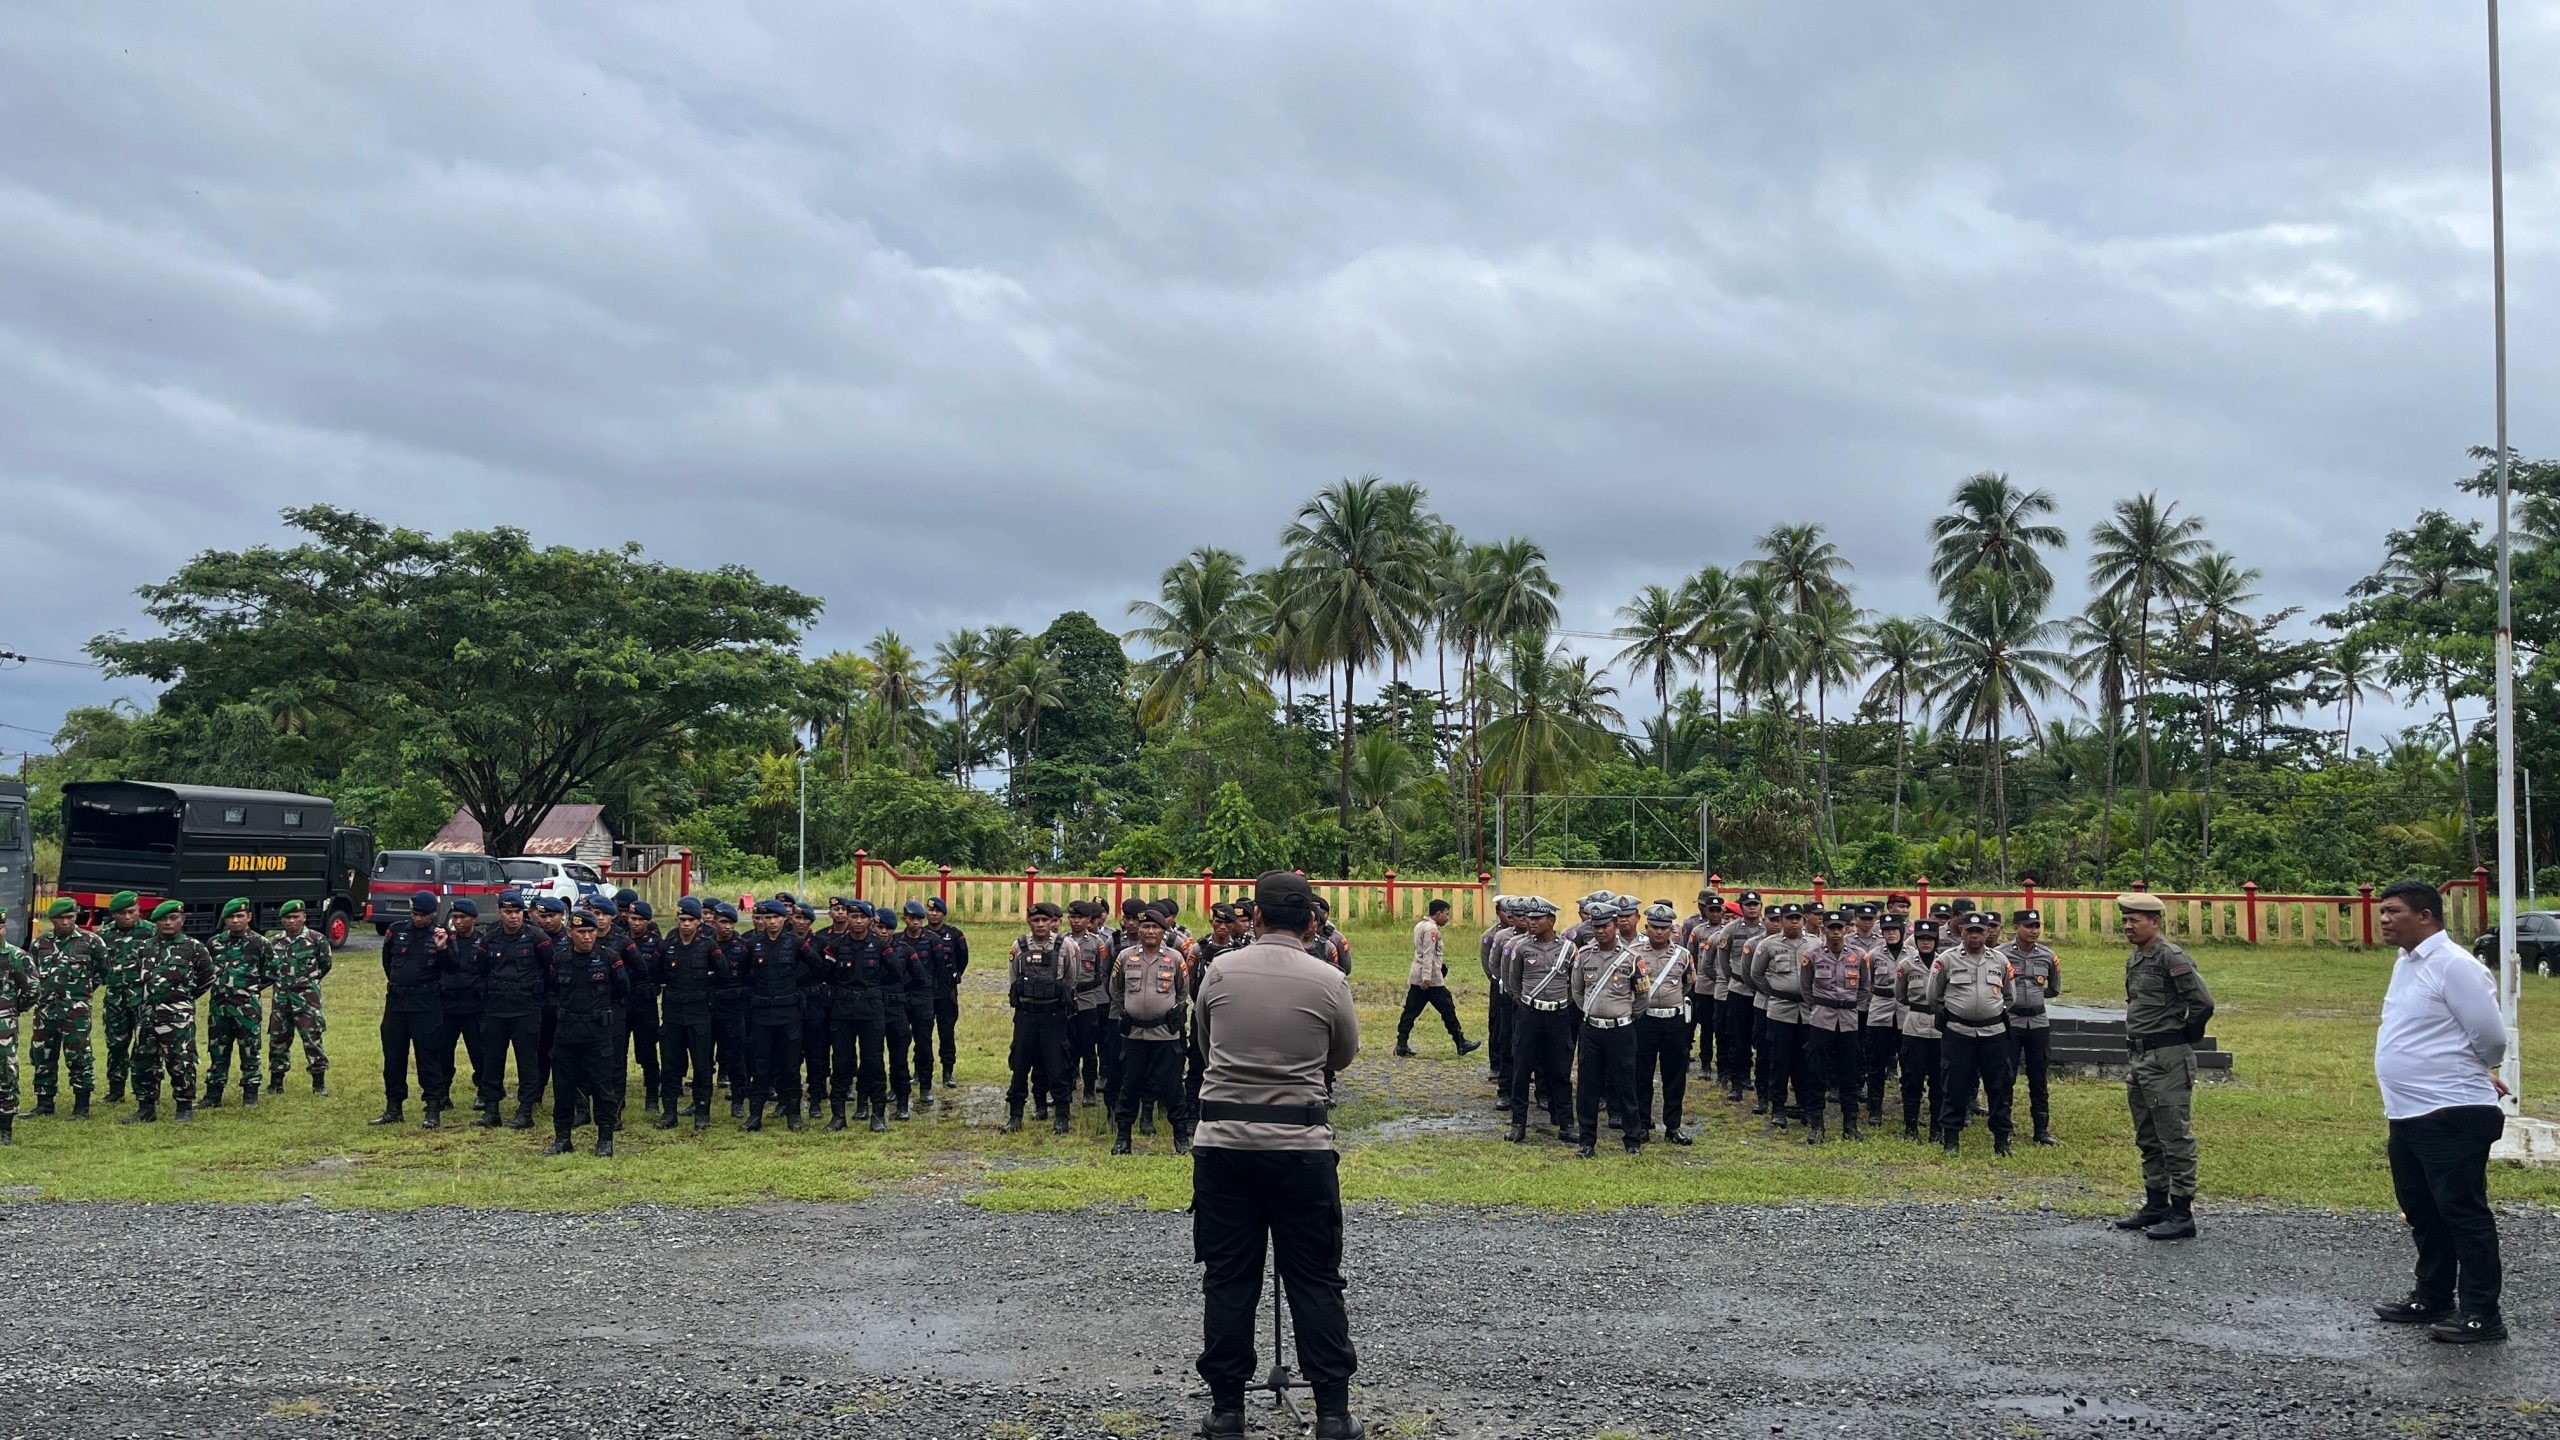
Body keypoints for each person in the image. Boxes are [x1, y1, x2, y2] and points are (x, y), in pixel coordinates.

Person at [1190, 870, 1361, 1440]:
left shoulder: (1219, 969)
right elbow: (1341, 1056)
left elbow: (1205, 1042)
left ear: (1255, 917)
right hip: (1301, 1149)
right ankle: (1333, 1414)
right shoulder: (1329, 978)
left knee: (1229, 1279)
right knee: (1315, 1279)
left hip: (1224, 1148)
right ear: (1312, 922)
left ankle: (1227, 1411)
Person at [2369, 880, 2512, 1343]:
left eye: (2393, 911)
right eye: (2382, 911)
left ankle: (2482, 1314)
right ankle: (2432, 1296)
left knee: (2462, 1212)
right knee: (2423, 1210)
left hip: (2450, 1112)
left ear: (2426, 916)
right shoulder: (2407, 963)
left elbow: (2490, 1037)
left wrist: (2473, 1072)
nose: (2384, 919)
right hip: (2410, 1112)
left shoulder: (2454, 965)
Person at [2112, 892, 2215, 1241]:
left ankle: (2182, 1212)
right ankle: (2155, 1203)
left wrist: (2186, 1034)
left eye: (2135, 920)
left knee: (2174, 1135)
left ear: (2154, 922)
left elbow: (2202, 1002)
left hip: (2167, 1058)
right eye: (2125, 919)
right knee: (2147, 1135)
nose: (2128, 925)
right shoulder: (2136, 959)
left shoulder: (2171, 957)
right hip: (2140, 1058)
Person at [1927, 912, 2017, 1157]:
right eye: (1970, 931)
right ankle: (1951, 1140)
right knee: (1953, 1085)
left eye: (1980, 931)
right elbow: (1933, 997)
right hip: (1959, 1032)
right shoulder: (1946, 960)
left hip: (1993, 1032)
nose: (1975, 936)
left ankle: (2001, 1140)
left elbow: (2010, 997)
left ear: (1988, 932)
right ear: (1961, 932)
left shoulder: (2000, 960)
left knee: (1999, 1087)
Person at [542, 910, 628, 1157]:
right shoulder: (560, 959)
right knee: (563, 1087)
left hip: (597, 1033)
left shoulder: (609, 958)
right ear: (570, 933)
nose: (587, 936)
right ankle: (562, 1138)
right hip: (567, 1033)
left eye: (591, 931)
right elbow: (551, 990)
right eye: (581, 932)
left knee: (603, 1088)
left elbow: (622, 989)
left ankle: (605, 1139)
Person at [1569, 897, 1646, 1157]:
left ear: (1615, 925)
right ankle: (1587, 1141)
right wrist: (1594, 1013)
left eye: (1605, 925)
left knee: (1625, 1085)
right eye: (1596, 926)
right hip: (1591, 1030)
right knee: (1587, 1086)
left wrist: (1623, 1016)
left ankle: (1632, 1141)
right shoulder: (1583, 955)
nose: (1600, 931)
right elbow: (1577, 991)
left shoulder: (1632, 958)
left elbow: (1642, 997)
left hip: (1621, 1030)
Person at [1109, 908, 1191, 1154]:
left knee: (1172, 1086)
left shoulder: (1175, 958)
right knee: (1130, 1085)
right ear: (1139, 930)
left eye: (1155, 927)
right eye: (1145, 927)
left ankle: (1180, 1136)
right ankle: (1123, 1137)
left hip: (1165, 1034)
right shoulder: (1125, 956)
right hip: (1134, 1035)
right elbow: (1116, 989)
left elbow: (1182, 992)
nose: (1150, 931)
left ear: (1164, 931)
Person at [125, 900, 213, 1124]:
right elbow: (134, 978)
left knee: (180, 1061)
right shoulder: (144, 948)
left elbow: (206, 978)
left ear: (182, 920)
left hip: (177, 1017)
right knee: (143, 1062)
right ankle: (146, 1108)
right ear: (155, 922)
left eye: (173, 918)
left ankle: (184, 1106)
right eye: (163, 919)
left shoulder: (195, 948)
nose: (168, 922)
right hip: (147, 1016)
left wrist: (183, 1000)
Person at [1502, 896, 1578, 1144]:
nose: (1531, 922)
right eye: (1530, 918)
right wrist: (1527, 1003)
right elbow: (1514, 983)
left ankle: (1565, 1122)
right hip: (1529, 1013)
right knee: (1522, 1069)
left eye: (1537, 918)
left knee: (1560, 1070)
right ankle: (1518, 1123)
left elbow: (1575, 985)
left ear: (1551, 920)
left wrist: (1560, 1003)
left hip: (1558, 1014)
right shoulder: (1521, 948)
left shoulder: (1568, 949)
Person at [375, 891, 453, 1129]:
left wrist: (442, 949)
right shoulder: (397, 930)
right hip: (397, 1002)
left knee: (429, 1056)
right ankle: (393, 1107)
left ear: (432, 914)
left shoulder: (441, 935)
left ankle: (432, 1107)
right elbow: (387, 960)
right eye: (414, 914)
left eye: (422, 915)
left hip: (426, 1002)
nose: (417, 919)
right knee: (394, 1056)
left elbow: (452, 967)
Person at [742, 899, 817, 1132]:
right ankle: (755, 1115)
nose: (771, 922)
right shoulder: (754, 944)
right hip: (762, 1013)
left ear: (785, 919)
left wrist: (795, 984)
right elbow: (744, 972)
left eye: (775, 917)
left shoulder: (795, 943)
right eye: (766, 918)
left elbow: (817, 965)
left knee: (790, 1065)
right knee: (761, 1065)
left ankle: (793, 1114)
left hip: (788, 1012)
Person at [479, 893, 553, 1129]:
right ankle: (491, 1109)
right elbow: (481, 971)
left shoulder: (536, 938)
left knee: (527, 1061)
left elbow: (549, 969)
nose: (513, 916)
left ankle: (525, 1110)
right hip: (497, 1008)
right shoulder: (489, 938)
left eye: (518, 912)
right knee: (492, 1060)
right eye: (508, 912)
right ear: (500, 912)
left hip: (526, 1008)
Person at [1003, 902, 1077, 1135]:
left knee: (1057, 1066)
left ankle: (1062, 1117)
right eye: (1036, 920)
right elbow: (1014, 977)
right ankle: (1015, 1115)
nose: (1041, 925)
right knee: (1020, 1065)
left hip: (1053, 1016)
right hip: (1026, 1016)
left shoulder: (1064, 946)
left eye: (1045, 920)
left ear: (1052, 922)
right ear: (1029, 922)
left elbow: (1070, 979)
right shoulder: (1020, 945)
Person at [29, 897, 106, 1119]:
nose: (65, 922)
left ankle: (81, 1106)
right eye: (60, 918)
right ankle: (44, 1103)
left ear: (75, 916)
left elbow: (103, 972)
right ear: (52, 919)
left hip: (76, 1012)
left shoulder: (91, 942)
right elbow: (32, 974)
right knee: (42, 1055)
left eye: (70, 917)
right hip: (45, 1011)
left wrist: (82, 994)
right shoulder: (40, 944)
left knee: (79, 1056)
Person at [1631, 902, 1697, 1145]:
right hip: (1645, 1020)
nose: (1659, 932)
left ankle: (1673, 1127)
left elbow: (1688, 984)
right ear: (1647, 927)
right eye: (1655, 927)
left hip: (1673, 1022)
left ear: (1672, 929)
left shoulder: (1683, 955)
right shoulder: (1634, 953)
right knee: (1642, 1074)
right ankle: (1642, 1124)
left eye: (1664, 927)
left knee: (1675, 1076)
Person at [1800, 910, 1868, 1144]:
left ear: (1847, 929)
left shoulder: (1859, 956)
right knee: (1817, 1072)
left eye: (1840, 928)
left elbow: (1865, 989)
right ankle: (1817, 1125)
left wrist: (1850, 1007)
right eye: (1831, 928)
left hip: (1849, 1020)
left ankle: (1851, 1125)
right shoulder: (1812, 955)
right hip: (1822, 1019)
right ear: (1824, 929)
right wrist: (1821, 1006)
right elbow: (1806, 989)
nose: (1836, 932)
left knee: (1850, 1073)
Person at [201, 897, 274, 1108]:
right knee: (217, 1051)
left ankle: (250, 1094)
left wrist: (249, 989)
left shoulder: (260, 943)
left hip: (247, 1008)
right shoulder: (215, 943)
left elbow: (270, 973)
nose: (235, 920)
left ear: (249, 917)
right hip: (219, 1007)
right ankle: (213, 1095)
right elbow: (206, 972)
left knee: (250, 1049)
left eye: (239, 916)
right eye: (230, 917)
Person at [2000, 908, 2062, 1146]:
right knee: (2007, 1076)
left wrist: (2033, 998)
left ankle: (2041, 1129)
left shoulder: (2048, 956)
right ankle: (2004, 1126)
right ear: (2016, 928)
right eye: (2029, 926)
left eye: (2037, 926)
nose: (2034, 931)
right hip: (2012, 1020)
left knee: (2039, 1077)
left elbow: (2054, 988)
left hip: (2038, 1022)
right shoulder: (2001, 954)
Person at [1748, 903, 1813, 1129]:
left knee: (1805, 1061)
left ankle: (1806, 1105)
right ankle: (1778, 1107)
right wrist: (1772, 992)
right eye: (1789, 918)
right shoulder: (1768, 945)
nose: (1794, 922)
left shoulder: (1815, 944)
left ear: (1804, 920)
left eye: (1798, 918)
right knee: (1779, 1060)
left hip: (1806, 1011)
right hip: (1780, 1010)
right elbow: (1755, 973)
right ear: (1782, 920)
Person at [265, 900, 333, 1100]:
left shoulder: (316, 939)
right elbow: (269, 969)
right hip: (281, 999)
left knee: (312, 1039)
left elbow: (325, 964)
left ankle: (318, 1083)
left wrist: (308, 983)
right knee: (278, 1040)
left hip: (306, 999)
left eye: (296, 917)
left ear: (304, 917)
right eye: (287, 918)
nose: (292, 921)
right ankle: (276, 1082)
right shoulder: (275, 942)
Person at [1395, 899, 1477, 1058]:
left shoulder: (1420, 925)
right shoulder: (1432, 929)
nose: (1447, 918)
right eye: (1446, 914)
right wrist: (1427, 978)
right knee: (1448, 1009)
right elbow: (1428, 954)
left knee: (1410, 1011)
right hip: (1430, 979)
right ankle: (1461, 1043)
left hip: (1418, 976)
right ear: (1438, 913)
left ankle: (1401, 1043)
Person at [431, 899, 487, 1122]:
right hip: (448, 1003)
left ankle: (484, 1091)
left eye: (463, 917)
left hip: (474, 1005)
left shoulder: (483, 941)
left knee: (479, 1051)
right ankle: (442, 1092)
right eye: (455, 917)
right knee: (443, 1051)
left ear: (473, 919)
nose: (458, 921)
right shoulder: (445, 940)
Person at [96, 891, 149, 1107]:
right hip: (115, 1000)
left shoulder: (152, 933)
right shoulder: (103, 935)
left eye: (131, 912)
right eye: (121, 913)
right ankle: (115, 1089)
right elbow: (96, 966)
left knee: (144, 1046)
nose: (127, 917)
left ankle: (144, 1089)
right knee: (116, 1045)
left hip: (144, 1001)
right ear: (113, 915)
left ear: (138, 911)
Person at [1894, 919, 1943, 1141]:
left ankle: (1936, 1129)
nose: (1925, 943)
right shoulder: (1906, 965)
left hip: (1940, 1027)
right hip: (1914, 1025)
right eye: (1921, 939)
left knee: (1939, 1081)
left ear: (1936, 940)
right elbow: (1900, 995)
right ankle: (1911, 1128)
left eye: (1930, 939)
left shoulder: (1945, 963)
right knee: (1912, 1080)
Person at [1717, 891, 1767, 1103]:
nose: (1752, 908)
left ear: (1761, 906)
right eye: (1748, 905)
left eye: (1755, 904)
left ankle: (1756, 1079)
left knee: (1761, 1038)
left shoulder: (1769, 929)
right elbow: (1724, 960)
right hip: (1738, 989)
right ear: (1741, 907)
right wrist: (1739, 978)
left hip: (1762, 991)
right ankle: (1737, 1082)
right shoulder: (1730, 930)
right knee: (1738, 1037)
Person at [1859, 914, 1908, 1125]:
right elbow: (1866, 983)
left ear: (1902, 931)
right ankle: (1875, 1108)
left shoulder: (1912, 954)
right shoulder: (1873, 954)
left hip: (1906, 1014)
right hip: (1880, 1011)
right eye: (1887, 930)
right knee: (1876, 1062)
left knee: (1909, 1064)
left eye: (1895, 929)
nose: (1890, 933)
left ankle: (1909, 1108)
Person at [891, 902, 941, 1105]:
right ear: (904, 919)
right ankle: (898, 1086)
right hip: (901, 995)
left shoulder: (933, 940)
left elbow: (939, 969)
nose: (916, 923)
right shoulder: (896, 941)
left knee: (923, 1042)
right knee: (898, 1043)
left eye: (919, 919)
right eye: (911, 919)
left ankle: (926, 1085)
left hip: (923, 996)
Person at [1067, 900, 1116, 1106]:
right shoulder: (1062, 941)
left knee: (1088, 1047)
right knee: (1066, 1046)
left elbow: (1101, 972)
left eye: (1080, 917)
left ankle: (1089, 1090)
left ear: (1089, 920)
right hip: (1067, 1001)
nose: (1076, 921)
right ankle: (1067, 1086)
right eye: (1072, 917)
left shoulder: (1098, 943)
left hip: (1089, 1000)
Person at [706, 899, 752, 1118]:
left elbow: (746, 976)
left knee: (736, 1055)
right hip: (707, 1007)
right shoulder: (704, 943)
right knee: (703, 1056)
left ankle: (738, 1099)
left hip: (733, 1007)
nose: (727, 927)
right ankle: (701, 1100)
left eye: (732, 923)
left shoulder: (742, 946)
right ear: (714, 921)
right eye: (723, 922)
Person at [925, 896, 969, 1089]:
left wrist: (954, 976)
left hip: (946, 991)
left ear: (944, 914)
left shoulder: (954, 934)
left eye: (938, 911)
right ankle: (921, 1071)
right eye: (931, 910)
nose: (934, 914)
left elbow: (963, 959)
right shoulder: (921, 933)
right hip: (924, 991)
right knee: (922, 1034)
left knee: (946, 1032)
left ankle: (948, 1072)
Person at [0, 912, 33, 1143]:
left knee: (5, 1072)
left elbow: (32, 990)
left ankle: (5, 1128)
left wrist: (11, 1010)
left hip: (3, 1027)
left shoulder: (16, 956)